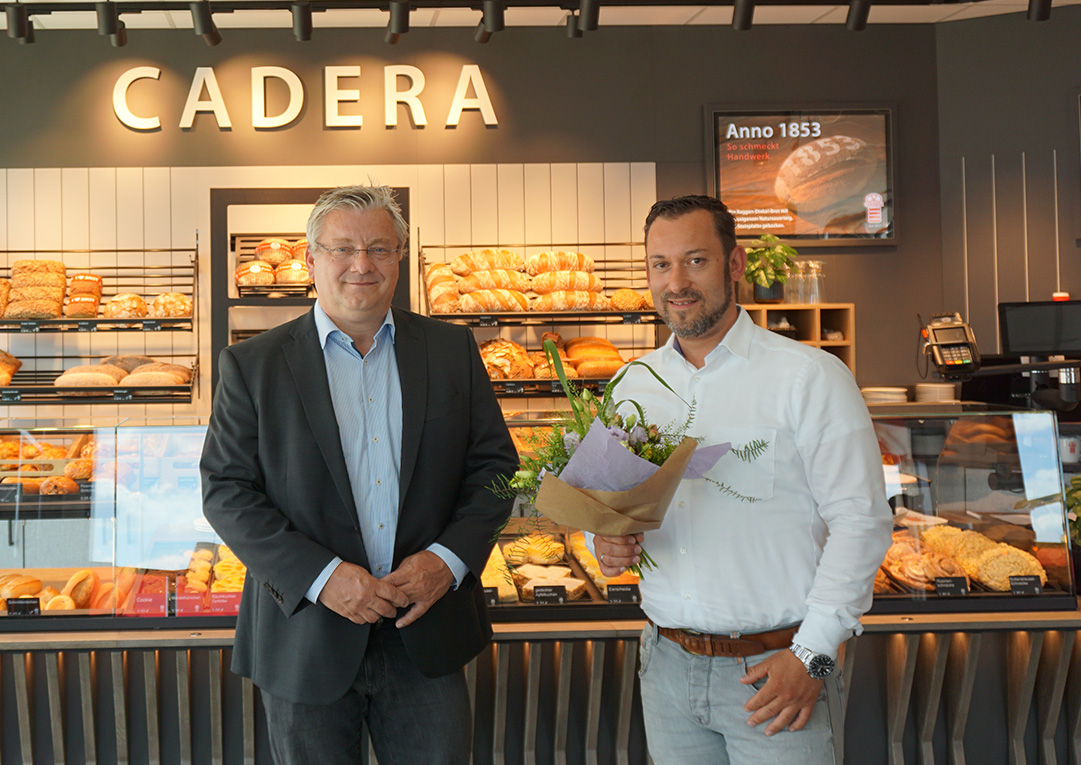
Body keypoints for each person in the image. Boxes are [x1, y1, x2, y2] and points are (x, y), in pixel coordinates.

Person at [200, 184, 517, 764]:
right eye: (342, 248)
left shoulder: (450, 350)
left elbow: (495, 469)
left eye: (379, 247)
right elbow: (226, 491)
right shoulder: (253, 364)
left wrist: (446, 562)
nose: (361, 264)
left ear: (400, 256)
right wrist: (323, 577)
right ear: (311, 258)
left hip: (425, 631)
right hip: (306, 636)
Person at [593, 195, 892, 764]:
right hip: (667, 667)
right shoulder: (633, 384)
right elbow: (607, 511)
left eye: (695, 260)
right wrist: (603, 541)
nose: (675, 282)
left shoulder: (809, 377)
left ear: (734, 264)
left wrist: (814, 656)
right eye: (660, 264)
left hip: (779, 670)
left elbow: (861, 523)